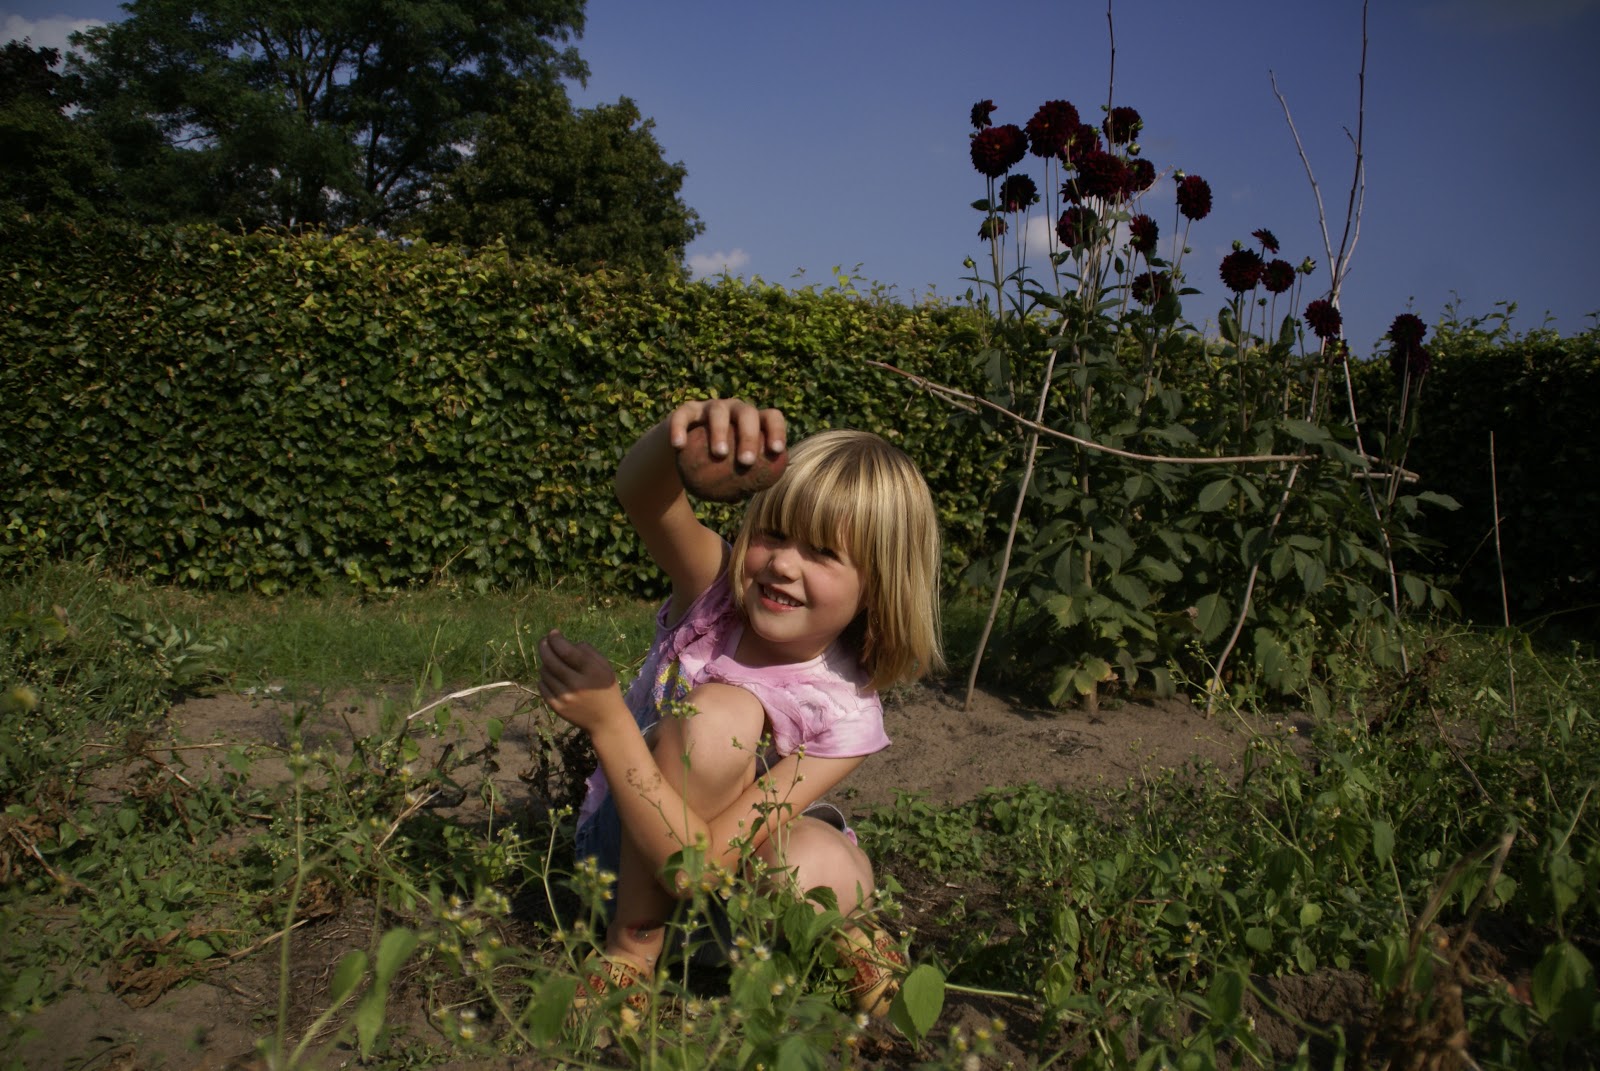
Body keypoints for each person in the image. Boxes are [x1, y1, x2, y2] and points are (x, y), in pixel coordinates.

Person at [535, 396, 943, 1021]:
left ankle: (841, 936)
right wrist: (686, 433)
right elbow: (641, 494)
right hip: (624, 868)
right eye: (774, 533)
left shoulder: (847, 714)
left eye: (822, 553)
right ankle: (632, 950)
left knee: (820, 859)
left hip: (733, 909)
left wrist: (608, 721)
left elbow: (699, 871)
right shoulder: (715, 593)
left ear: (877, 585)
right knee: (722, 717)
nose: (781, 563)